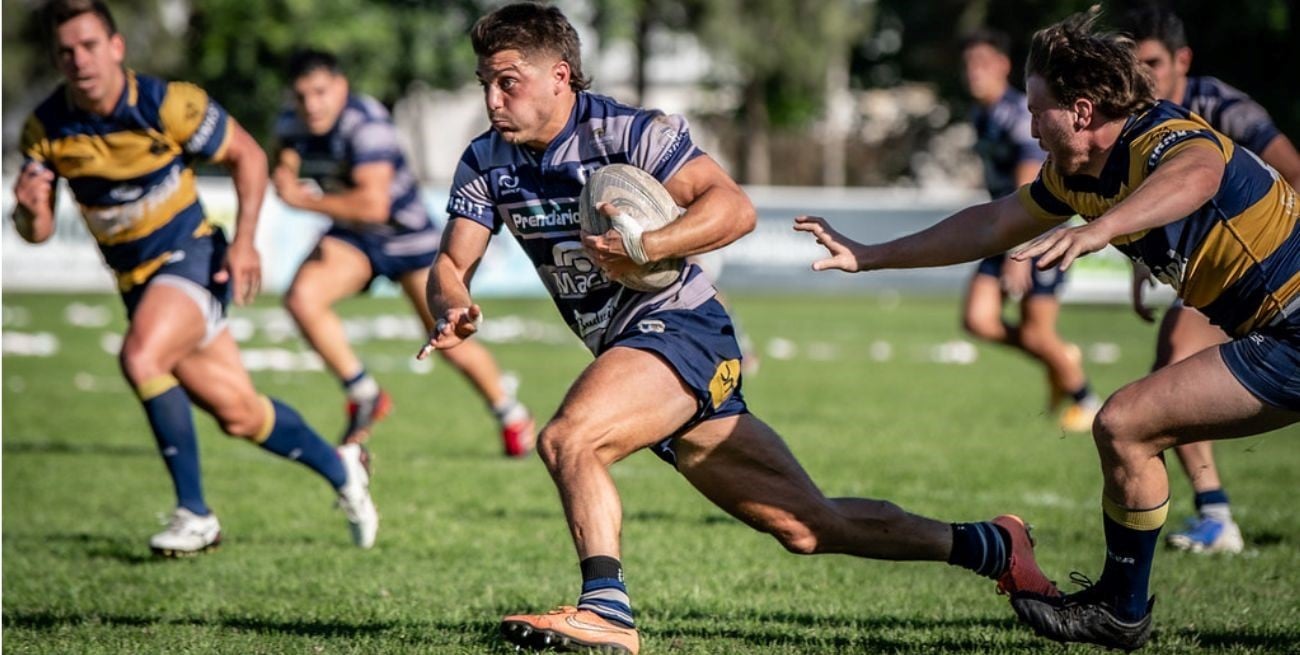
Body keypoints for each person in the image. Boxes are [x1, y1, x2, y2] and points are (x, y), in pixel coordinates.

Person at [419, 4, 1057, 653]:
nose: (492, 99)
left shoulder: (627, 132)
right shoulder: (487, 159)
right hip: (636, 354)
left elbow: (734, 207)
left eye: (507, 82)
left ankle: (606, 610)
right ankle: (992, 545)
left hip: (682, 329)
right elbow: (449, 262)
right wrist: (452, 303)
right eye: (485, 83)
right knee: (808, 525)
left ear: (559, 75)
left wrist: (648, 244)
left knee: (569, 438)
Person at [795, 11, 1300, 650]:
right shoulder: (1076, 176)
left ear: (1082, 111)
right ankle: (1121, 608)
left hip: (1292, 322)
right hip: (1276, 330)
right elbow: (989, 225)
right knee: (1127, 425)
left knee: (1126, 422)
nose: (1031, 127)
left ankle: (1122, 609)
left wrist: (1103, 229)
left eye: (1039, 112)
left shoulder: (1163, 134)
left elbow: (1198, 174)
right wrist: (870, 255)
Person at [13, 0, 377, 555]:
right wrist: (29, 208)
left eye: (89, 45)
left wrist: (247, 242)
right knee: (240, 413)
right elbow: (36, 232)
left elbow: (248, 157)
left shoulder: (168, 103)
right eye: (66, 51)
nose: (79, 60)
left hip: (195, 259)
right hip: (138, 285)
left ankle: (195, 514)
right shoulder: (46, 128)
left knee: (141, 358)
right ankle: (343, 467)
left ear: (116, 47)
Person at [271, 49, 535, 457]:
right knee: (302, 299)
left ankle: (510, 413)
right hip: (355, 238)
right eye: (302, 96)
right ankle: (364, 393)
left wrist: (303, 200)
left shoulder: (366, 124)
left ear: (341, 86)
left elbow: (374, 205)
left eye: (320, 93)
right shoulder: (291, 121)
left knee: (449, 337)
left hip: (407, 238)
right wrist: (284, 173)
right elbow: (284, 158)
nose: (312, 105)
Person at [1119, 5, 1300, 555]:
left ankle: (1215, 515)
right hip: (1216, 280)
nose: (1143, 77)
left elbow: (1293, 170)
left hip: (1269, 271)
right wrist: (1146, 263)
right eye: (1133, 65)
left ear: (1183, 60)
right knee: (1169, 368)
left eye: (1152, 63)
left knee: (1164, 377)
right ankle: (1215, 514)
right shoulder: (1137, 121)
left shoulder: (1221, 107)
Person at [958, 28, 1098, 432]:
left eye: (982, 63)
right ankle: (1061, 359)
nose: (974, 72)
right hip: (1002, 230)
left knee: (1037, 333)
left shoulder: (1019, 114)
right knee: (977, 319)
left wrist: (1019, 252)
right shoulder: (980, 114)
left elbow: (1028, 186)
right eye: (968, 64)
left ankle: (1086, 400)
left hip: (1036, 233)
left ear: (1004, 66)